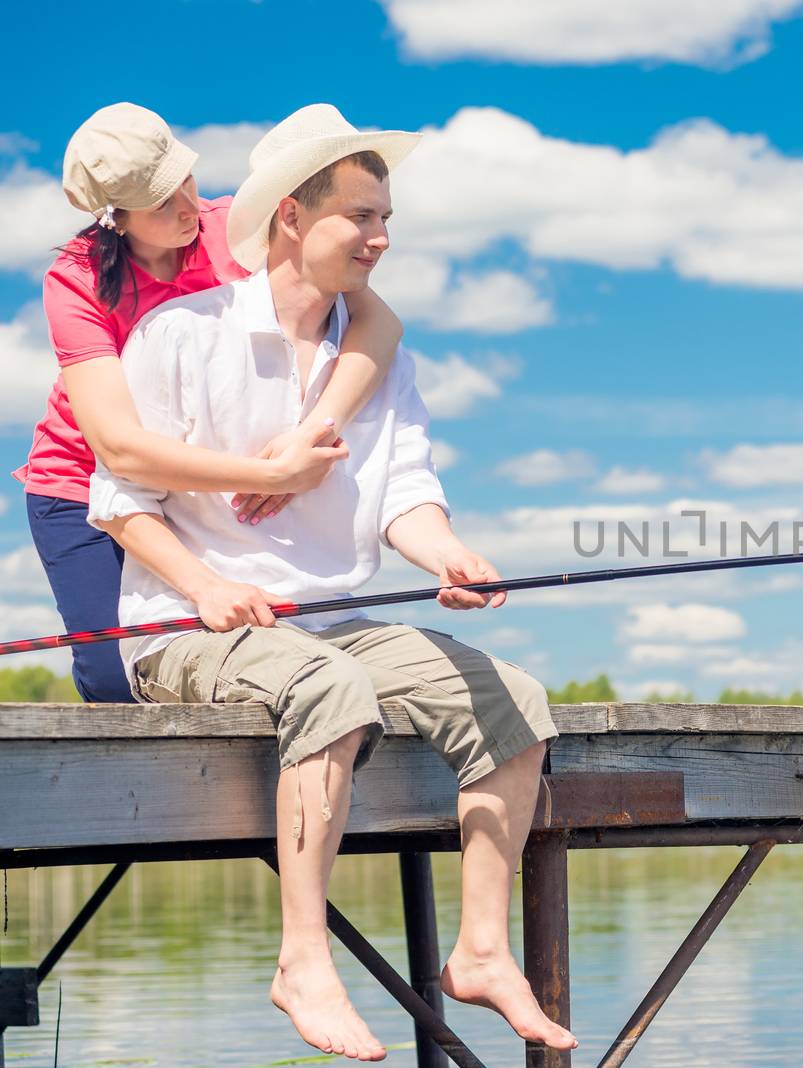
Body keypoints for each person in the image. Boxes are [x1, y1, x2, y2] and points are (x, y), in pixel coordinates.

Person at [86, 104, 578, 1061]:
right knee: (329, 687)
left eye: (387, 217)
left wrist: (448, 557)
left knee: (512, 700)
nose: (382, 238)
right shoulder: (179, 335)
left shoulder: (377, 356)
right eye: (361, 216)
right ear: (291, 218)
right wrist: (202, 586)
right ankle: (302, 960)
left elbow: (405, 493)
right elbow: (119, 501)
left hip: (335, 622)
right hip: (187, 630)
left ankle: (480, 950)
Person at [15, 102, 402, 702]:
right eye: (162, 203)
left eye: (186, 182)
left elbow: (378, 325)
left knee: (247, 648)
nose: (189, 208)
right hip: (80, 485)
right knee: (114, 676)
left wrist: (310, 433)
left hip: (201, 488)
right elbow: (120, 449)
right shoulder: (76, 278)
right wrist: (271, 474)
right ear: (114, 218)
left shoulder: (234, 229)